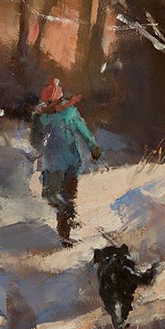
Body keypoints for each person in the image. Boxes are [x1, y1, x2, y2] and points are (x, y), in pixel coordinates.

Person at [30, 78, 102, 245]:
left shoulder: (68, 113)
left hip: (67, 162)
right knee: (53, 196)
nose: (48, 105)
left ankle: (65, 232)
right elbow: (35, 141)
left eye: (50, 102)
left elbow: (83, 131)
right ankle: (67, 215)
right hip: (55, 164)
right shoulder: (41, 116)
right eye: (46, 102)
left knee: (62, 196)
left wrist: (94, 148)